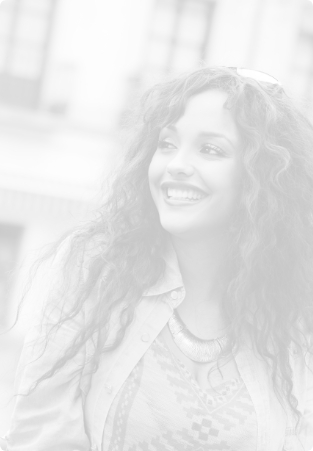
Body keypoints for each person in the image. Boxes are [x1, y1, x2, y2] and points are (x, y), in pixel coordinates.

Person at [4, 66, 313, 451]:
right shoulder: (94, 268)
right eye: (167, 144)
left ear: (262, 179)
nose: (177, 164)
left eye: (210, 149)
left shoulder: (294, 316)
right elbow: (39, 436)